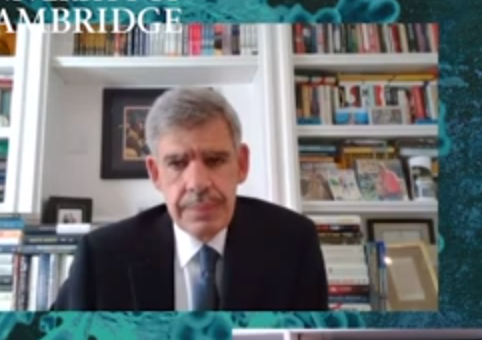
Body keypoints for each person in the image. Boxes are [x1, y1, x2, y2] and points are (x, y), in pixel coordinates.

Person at [51, 87, 329, 311]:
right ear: (155, 173)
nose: (197, 183)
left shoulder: (294, 244)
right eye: (177, 163)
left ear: (242, 164)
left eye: (215, 160)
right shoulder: (102, 256)